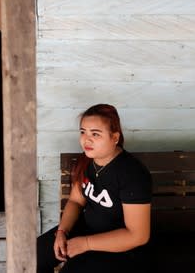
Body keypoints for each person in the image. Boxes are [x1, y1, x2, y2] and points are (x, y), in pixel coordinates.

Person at [37, 104, 152, 273]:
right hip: (87, 229)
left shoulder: (132, 174)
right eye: (83, 132)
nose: (86, 139)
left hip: (120, 246)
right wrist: (62, 231)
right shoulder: (87, 161)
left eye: (95, 134)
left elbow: (138, 235)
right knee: (31, 257)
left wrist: (85, 244)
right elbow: (76, 201)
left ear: (114, 137)